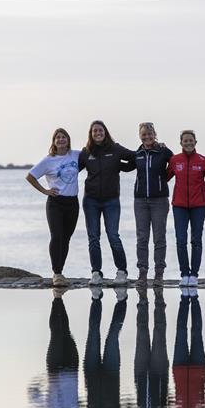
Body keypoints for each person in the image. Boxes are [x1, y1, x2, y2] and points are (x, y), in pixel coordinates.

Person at [78, 120, 136, 286]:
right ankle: (96, 273)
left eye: (100, 130)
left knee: (113, 236)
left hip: (111, 200)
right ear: (91, 134)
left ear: (105, 132)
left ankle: (122, 271)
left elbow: (134, 157)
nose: (98, 133)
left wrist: (122, 166)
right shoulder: (85, 152)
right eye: (95, 131)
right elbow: (71, 169)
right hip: (91, 201)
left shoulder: (115, 149)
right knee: (93, 238)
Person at [25, 128, 82, 287]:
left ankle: (61, 272)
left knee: (66, 238)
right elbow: (30, 176)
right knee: (56, 236)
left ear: (68, 140)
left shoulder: (76, 155)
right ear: (54, 141)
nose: (61, 139)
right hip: (55, 203)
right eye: (58, 137)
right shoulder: (49, 160)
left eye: (64, 137)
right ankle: (56, 273)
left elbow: (93, 153)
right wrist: (45, 190)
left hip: (72, 203)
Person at [167, 130, 205, 287]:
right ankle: (184, 274)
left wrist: (202, 185)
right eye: (185, 141)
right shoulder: (175, 160)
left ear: (195, 142)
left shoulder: (203, 161)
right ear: (181, 143)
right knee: (181, 241)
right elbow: (164, 177)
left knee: (196, 240)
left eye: (191, 140)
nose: (188, 143)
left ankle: (194, 275)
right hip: (179, 206)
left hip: (199, 206)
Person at [133, 122, 174, 286]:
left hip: (159, 200)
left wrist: (164, 180)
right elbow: (124, 166)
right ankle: (142, 273)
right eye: (144, 134)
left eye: (150, 134)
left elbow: (178, 163)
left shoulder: (163, 151)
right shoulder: (137, 153)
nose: (147, 137)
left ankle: (159, 274)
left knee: (159, 237)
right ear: (140, 136)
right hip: (140, 200)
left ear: (154, 134)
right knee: (142, 238)